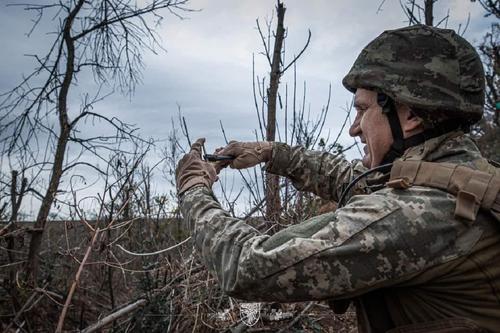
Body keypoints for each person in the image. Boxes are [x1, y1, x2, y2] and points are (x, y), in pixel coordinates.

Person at [175, 24, 500, 332]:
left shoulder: (421, 214)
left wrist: (193, 189)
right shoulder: (464, 177)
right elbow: (358, 180)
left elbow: (247, 266)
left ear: (411, 116)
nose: (354, 127)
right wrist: (272, 153)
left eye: (362, 110)